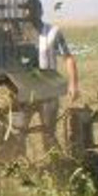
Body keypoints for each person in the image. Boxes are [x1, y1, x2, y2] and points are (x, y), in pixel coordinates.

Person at [35, 21, 80, 149]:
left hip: (49, 89)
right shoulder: (14, 32)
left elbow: (68, 57)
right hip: (22, 89)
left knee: (48, 133)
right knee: (17, 132)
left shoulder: (53, 32)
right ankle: (14, 165)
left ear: (39, 10)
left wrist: (73, 84)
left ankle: (55, 165)